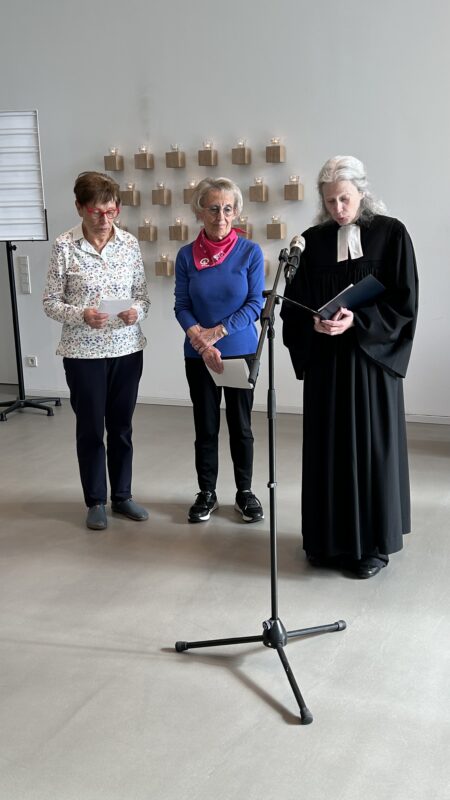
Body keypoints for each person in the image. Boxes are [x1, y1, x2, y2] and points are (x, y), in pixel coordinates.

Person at [281, 155, 418, 578]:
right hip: (327, 369)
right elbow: (293, 306)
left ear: (362, 192)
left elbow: (404, 302)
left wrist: (358, 320)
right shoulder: (312, 240)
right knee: (328, 451)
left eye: (345, 198)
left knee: (369, 452)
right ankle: (326, 541)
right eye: (330, 201)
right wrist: (314, 323)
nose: (338, 208)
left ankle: (370, 547)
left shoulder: (391, 234)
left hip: (370, 368)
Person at [43, 171, 150, 531]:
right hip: (82, 352)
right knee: (91, 428)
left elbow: (143, 296)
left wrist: (138, 312)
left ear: (117, 209)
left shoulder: (130, 244)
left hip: (126, 348)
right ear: (79, 208)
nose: (104, 220)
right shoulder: (63, 246)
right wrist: (81, 315)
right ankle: (95, 500)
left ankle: (122, 495)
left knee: (121, 427)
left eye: (111, 212)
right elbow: (50, 302)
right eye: (95, 212)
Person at [175, 177, 265, 524]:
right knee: (206, 427)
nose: (221, 216)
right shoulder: (186, 256)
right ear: (200, 211)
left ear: (236, 212)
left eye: (228, 209)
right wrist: (202, 342)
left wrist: (216, 334)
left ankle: (245, 492)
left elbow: (255, 304)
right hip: (198, 355)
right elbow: (182, 306)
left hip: (240, 351)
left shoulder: (250, 252)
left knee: (241, 426)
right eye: (213, 208)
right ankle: (207, 492)